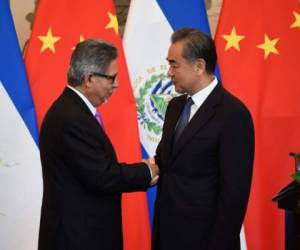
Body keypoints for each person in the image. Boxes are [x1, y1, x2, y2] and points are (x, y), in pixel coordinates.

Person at [38, 39, 159, 250]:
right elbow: (102, 176)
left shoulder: (73, 110)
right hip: (77, 239)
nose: (117, 84)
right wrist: (147, 170)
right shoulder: (71, 118)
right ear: (89, 79)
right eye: (112, 77)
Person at [152, 28, 255, 250]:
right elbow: (164, 161)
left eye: (174, 64)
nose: (169, 72)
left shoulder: (233, 113)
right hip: (167, 236)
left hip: (205, 241)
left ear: (199, 66)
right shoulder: (175, 106)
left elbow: (234, 196)